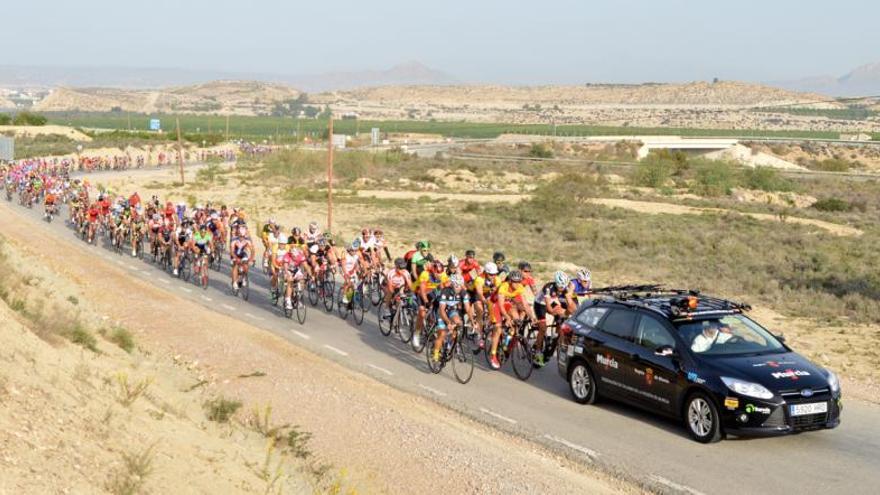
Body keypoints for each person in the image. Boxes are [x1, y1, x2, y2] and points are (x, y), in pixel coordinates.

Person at [533, 271, 573, 366]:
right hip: (540, 304)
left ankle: (555, 337)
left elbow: (569, 304)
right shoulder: (548, 287)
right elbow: (550, 309)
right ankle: (538, 352)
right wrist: (561, 312)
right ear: (556, 283)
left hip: (552, 302)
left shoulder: (565, 288)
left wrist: (567, 313)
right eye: (560, 287)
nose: (561, 289)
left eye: (563, 287)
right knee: (543, 328)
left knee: (562, 321)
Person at [431, 274, 467, 364]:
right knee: (442, 334)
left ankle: (450, 344)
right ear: (452, 285)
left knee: (458, 322)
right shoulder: (445, 292)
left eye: (460, 285)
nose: (459, 288)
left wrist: (472, 322)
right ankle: (435, 354)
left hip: (451, 310)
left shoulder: (462, 292)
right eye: (456, 285)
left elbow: (468, 307)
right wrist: (448, 323)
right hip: (441, 312)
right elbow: (442, 310)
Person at [230, 224, 254, 290]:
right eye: (240, 236)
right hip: (235, 254)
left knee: (246, 266)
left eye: (243, 236)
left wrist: (251, 258)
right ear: (238, 234)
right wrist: (236, 258)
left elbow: (252, 250)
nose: (242, 238)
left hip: (243, 254)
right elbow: (231, 251)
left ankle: (243, 278)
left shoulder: (247, 240)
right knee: (236, 265)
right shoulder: (234, 239)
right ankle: (234, 282)